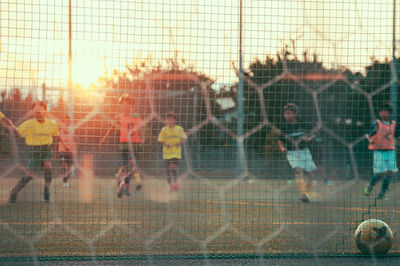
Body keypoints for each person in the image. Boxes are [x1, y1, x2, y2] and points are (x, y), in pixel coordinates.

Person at [9, 101, 59, 203]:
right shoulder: (28, 124)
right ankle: (14, 191)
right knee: (30, 174)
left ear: (45, 111)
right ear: (32, 112)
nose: (38, 112)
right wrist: (11, 127)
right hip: (34, 150)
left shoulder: (52, 123)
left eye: (40, 110)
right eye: (35, 111)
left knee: (48, 166)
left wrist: (57, 151)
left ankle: (47, 191)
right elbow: (17, 133)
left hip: (46, 149)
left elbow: (57, 136)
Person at [99, 95, 144, 198]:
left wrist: (142, 139)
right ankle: (123, 184)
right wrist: (104, 139)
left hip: (135, 145)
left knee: (130, 167)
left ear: (132, 106)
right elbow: (112, 129)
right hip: (124, 145)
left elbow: (140, 130)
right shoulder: (119, 117)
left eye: (126, 105)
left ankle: (122, 185)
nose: (124, 107)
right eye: (122, 105)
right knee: (128, 166)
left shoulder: (137, 117)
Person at [277, 103, 318, 203]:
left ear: (295, 113)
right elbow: (280, 140)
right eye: (285, 113)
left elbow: (314, 134)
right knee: (298, 170)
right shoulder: (284, 126)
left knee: (310, 174)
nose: (286, 115)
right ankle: (303, 193)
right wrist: (282, 148)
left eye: (288, 113)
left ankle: (306, 194)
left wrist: (309, 138)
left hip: (304, 151)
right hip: (291, 152)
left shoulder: (303, 124)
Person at [364, 102, 399, 200]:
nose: (382, 113)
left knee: (389, 172)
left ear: (389, 113)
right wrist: (370, 139)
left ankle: (382, 194)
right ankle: (369, 187)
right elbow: (367, 133)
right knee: (380, 173)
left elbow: (397, 136)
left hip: (390, 151)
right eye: (381, 111)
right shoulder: (376, 123)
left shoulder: (394, 124)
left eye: (385, 111)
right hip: (379, 151)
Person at [158, 111, 187, 191]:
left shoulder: (179, 128)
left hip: (175, 152)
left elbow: (184, 138)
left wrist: (179, 142)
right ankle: (170, 185)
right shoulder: (164, 129)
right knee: (168, 169)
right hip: (167, 153)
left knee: (173, 167)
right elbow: (160, 139)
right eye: (168, 119)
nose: (170, 121)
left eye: (171, 119)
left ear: (175, 120)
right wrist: (165, 144)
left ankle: (176, 184)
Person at [57, 115, 76, 188]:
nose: (66, 122)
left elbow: (73, 141)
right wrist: (63, 147)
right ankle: (64, 180)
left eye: (68, 121)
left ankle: (65, 180)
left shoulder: (72, 131)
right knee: (63, 165)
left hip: (70, 152)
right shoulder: (61, 130)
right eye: (65, 121)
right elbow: (59, 140)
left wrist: (73, 150)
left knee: (69, 168)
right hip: (62, 151)